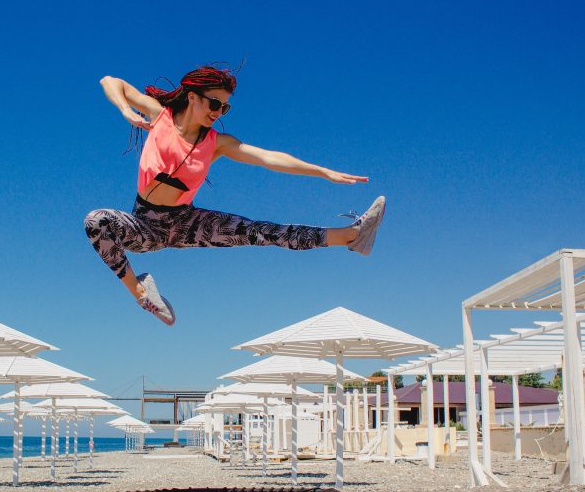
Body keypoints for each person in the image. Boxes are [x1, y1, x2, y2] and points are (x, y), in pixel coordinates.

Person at [84, 65, 385, 325]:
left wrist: (322, 172)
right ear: (192, 97)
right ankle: (140, 293)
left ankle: (351, 236)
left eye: (224, 108)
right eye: (214, 103)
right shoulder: (160, 116)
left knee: (261, 232)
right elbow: (110, 81)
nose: (217, 112)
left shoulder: (217, 143)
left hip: (186, 222)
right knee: (96, 221)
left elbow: (268, 157)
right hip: (144, 226)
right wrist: (126, 110)